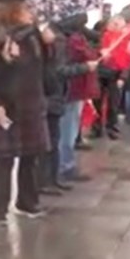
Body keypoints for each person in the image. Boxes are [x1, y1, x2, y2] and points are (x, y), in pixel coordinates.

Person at [0, 1, 51, 224]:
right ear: (13, 13)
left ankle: (27, 202)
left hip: (32, 105)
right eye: (26, 9)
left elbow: (44, 69)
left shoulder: (34, 37)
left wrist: (49, 45)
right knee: (4, 160)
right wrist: (5, 61)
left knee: (30, 157)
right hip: (8, 106)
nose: (31, 13)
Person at [39, 21, 99, 195]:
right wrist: (85, 67)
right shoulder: (59, 41)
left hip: (61, 92)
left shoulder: (63, 39)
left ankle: (54, 176)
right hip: (57, 94)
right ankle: (56, 173)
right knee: (60, 135)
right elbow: (58, 70)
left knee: (62, 134)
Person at [59, 13, 100, 183]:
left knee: (70, 128)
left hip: (75, 89)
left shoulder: (75, 36)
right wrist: (86, 65)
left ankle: (65, 165)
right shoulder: (70, 39)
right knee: (67, 130)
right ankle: (65, 167)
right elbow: (64, 67)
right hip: (71, 90)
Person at [93, 16, 126, 139]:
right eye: (114, 23)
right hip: (100, 73)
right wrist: (100, 52)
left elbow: (128, 60)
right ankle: (97, 127)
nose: (116, 26)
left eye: (119, 25)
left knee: (113, 103)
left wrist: (123, 77)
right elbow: (91, 50)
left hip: (115, 75)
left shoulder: (124, 40)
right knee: (97, 102)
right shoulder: (99, 37)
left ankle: (111, 127)